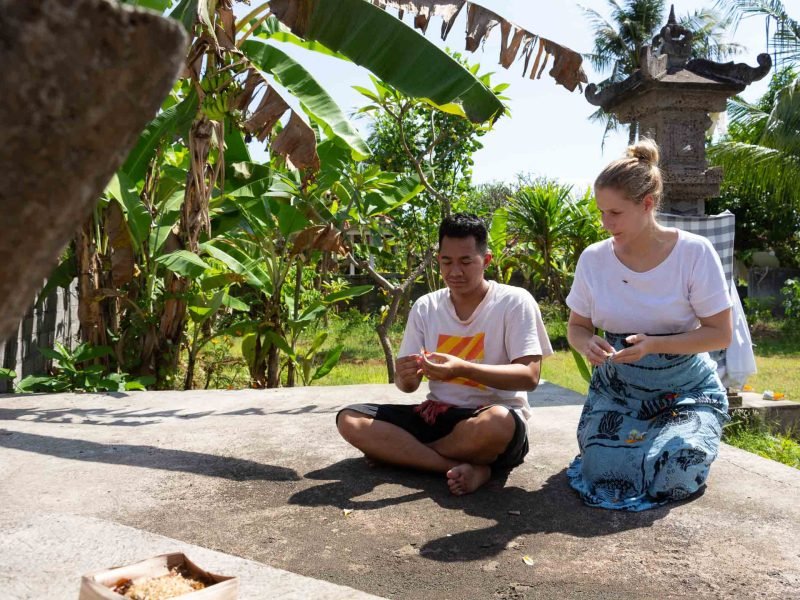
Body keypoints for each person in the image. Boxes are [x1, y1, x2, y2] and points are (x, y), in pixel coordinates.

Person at [565, 139, 733, 511]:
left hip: (686, 388)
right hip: (619, 389)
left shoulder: (693, 253)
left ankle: (686, 442)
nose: (606, 223)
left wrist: (654, 344)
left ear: (647, 204)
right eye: (601, 213)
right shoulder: (593, 259)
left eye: (615, 213)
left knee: (675, 471)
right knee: (605, 475)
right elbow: (575, 326)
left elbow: (720, 333)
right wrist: (585, 343)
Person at [337, 213, 553, 495]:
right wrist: (407, 378)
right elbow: (407, 386)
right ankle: (470, 468)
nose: (455, 272)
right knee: (350, 419)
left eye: (466, 262)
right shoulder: (426, 306)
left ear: (486, 261)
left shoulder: (514, 302)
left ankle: (403, 455)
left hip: (488, 419)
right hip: (436, 417)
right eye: (446, 262)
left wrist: (462, 369)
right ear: (438, 258)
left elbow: (529, 376)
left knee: (498, 423)